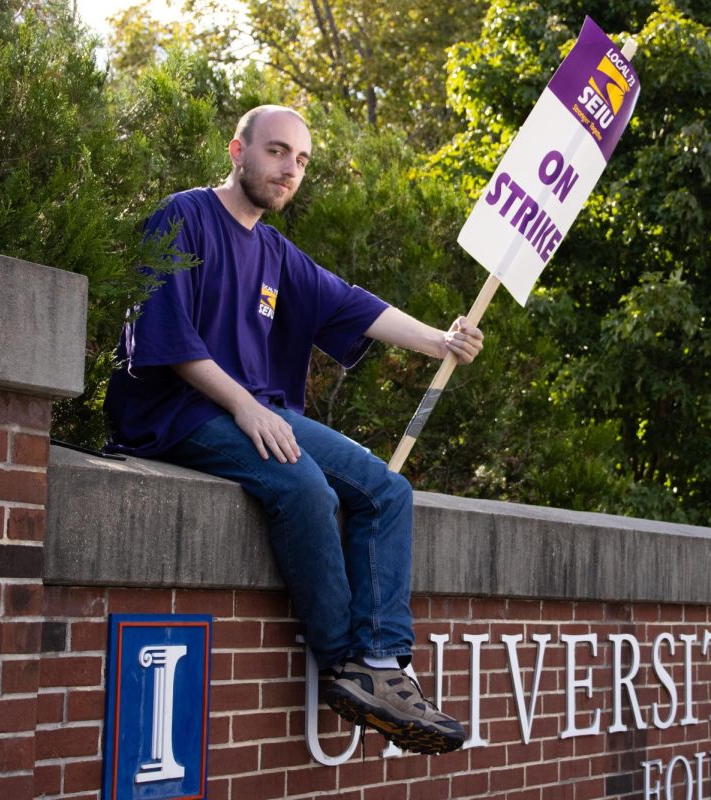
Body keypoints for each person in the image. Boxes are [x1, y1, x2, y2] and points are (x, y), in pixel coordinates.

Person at [104, 104, 482, 756]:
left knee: (386, 491)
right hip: (175, 413)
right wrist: (246, 407)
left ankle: (384, 666)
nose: (289, 170)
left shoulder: (276, 252)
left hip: (258, 410)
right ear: (237, 150)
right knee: (305, 488)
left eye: (301, 161)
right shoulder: (182, 216)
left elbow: (355, 304)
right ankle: (342, 665)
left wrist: (441, 340)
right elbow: (166, 335)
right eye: (278, 152)